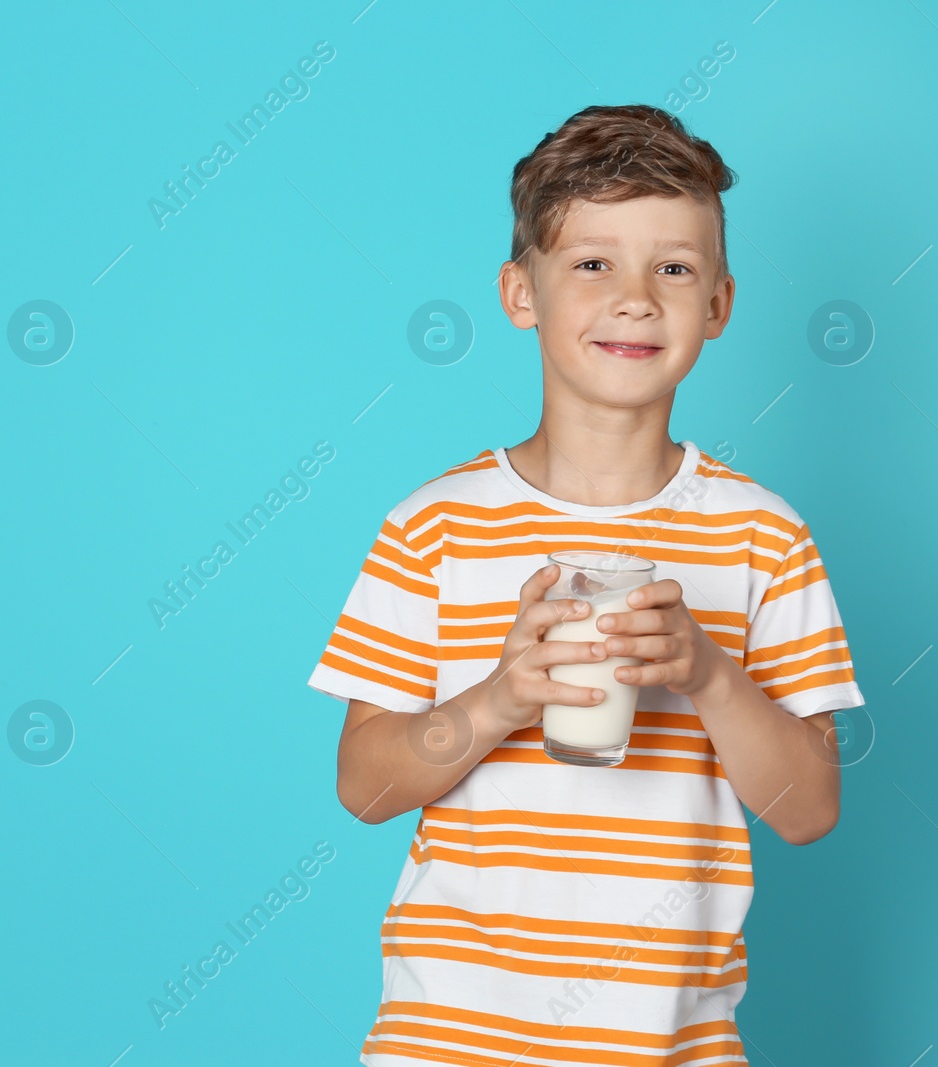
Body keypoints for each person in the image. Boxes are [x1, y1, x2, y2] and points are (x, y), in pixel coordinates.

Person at [306, 103, 866, 1066]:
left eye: (675, 268)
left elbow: (810, 807)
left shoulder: (761, 535)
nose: (637, 298)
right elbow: (365, 785)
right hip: (450, 1043)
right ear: (521, 292)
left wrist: (707, 673)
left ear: (720, 305)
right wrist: (499, 697)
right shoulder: (434, 526)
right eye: (593, 263)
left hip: (672, 1046)